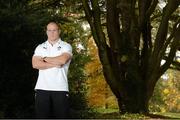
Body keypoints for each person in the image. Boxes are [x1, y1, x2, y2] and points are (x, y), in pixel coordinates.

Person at [32, 22, 72, 118]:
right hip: (42, 89)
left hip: (60, 89)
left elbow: (62, 60)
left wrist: (44, 58)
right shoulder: (40, 47)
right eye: (49, 30)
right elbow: (35, 64)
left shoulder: (66, 46)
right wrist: (55, 63)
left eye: (54, 30)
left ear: (59, 31)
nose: (52, 33)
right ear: (46, 32)